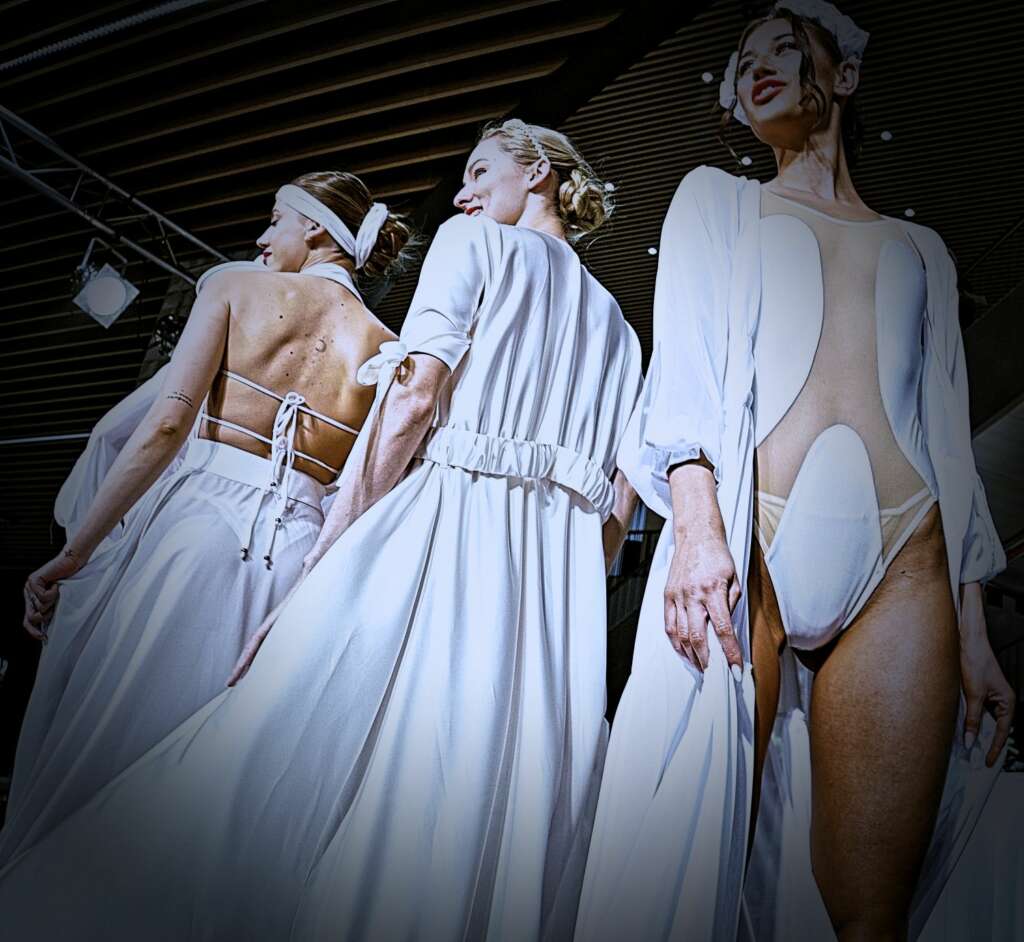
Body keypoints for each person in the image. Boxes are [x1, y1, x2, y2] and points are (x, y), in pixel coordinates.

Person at [0, 118, 642, 942]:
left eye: (480, 172)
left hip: (440, 534)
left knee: (287, 756)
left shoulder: (474, 244)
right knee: (478, 799)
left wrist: (328, 561)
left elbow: (411, 402)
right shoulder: (621, 330)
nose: (463, 194)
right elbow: (619, 507)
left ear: (540, 171)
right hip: (548, 600)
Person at [575, 4, 1011, 941]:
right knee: (688, 873)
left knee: (872, 916)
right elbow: (684, 374)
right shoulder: (716, 201)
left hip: (907, 558)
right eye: (743, 62)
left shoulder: (924, 251)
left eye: (784, 46)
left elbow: (946, 435)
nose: (758, 66)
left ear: (843, 75)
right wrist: (695, 531)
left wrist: (975, 633)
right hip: (749, 543)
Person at [3, 170, 412, 867]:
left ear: (315, 227)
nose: (263, 236)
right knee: (213, 774)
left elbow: (166, 426)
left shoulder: (233, 286)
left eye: (276, 218)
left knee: (113, 747)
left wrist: (76, 553)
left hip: (196, 528)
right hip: (296, 564)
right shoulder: (387, 349)